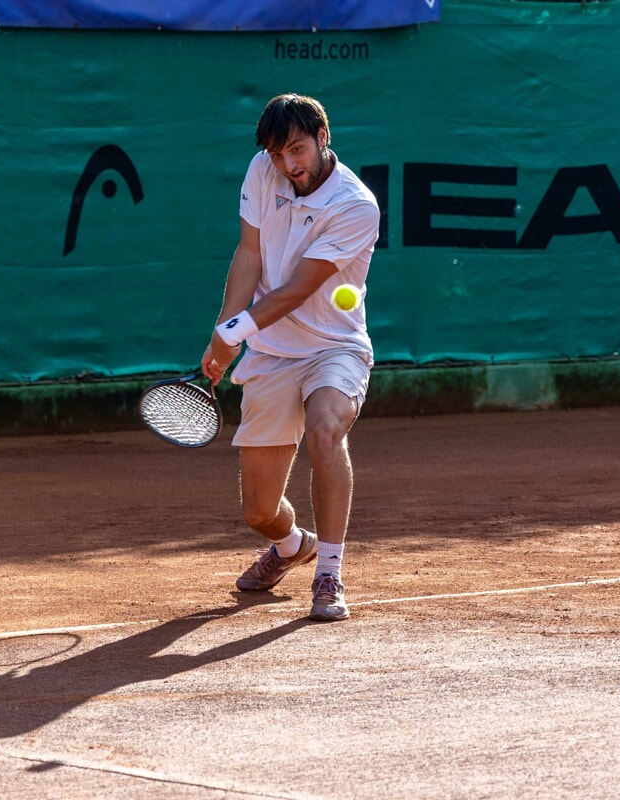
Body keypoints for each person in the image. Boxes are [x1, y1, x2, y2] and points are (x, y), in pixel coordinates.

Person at [201, 93, 379, 622]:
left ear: (324, 138)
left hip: (335, 347)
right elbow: (249, 254)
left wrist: (233, 331)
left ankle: (328, 572)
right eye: (278, 154)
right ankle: (289, 546)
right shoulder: (263, 171)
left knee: (326, 430)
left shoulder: (355, 205)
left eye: (297, 150)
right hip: (273, 350)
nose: (287, 165)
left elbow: (300, 288)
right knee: (259, 511)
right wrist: (224, 335)